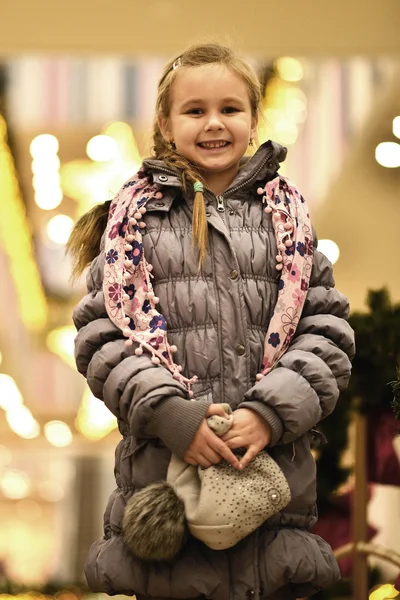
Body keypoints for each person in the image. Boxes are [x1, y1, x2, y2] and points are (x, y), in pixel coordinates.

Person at [68, 43, 355, 600]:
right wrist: (172, 414)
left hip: (271, 496)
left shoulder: (289, 226)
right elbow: (101, 335)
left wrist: (270, 412)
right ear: (165, 124)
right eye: (195, 111)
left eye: (230, 109)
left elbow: (326, 332)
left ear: (253, 120)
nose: (214, 123)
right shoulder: (132, 228)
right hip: (166, 491)